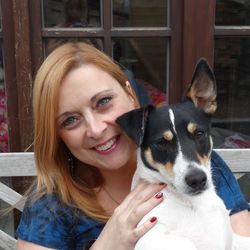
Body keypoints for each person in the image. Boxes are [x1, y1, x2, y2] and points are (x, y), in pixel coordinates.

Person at [16, 42, 250, 250]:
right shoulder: (51, 206)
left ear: (130, 93)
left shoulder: (201, 168)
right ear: (57, 135)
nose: (96, 129)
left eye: (103, 101)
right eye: (70, 120)